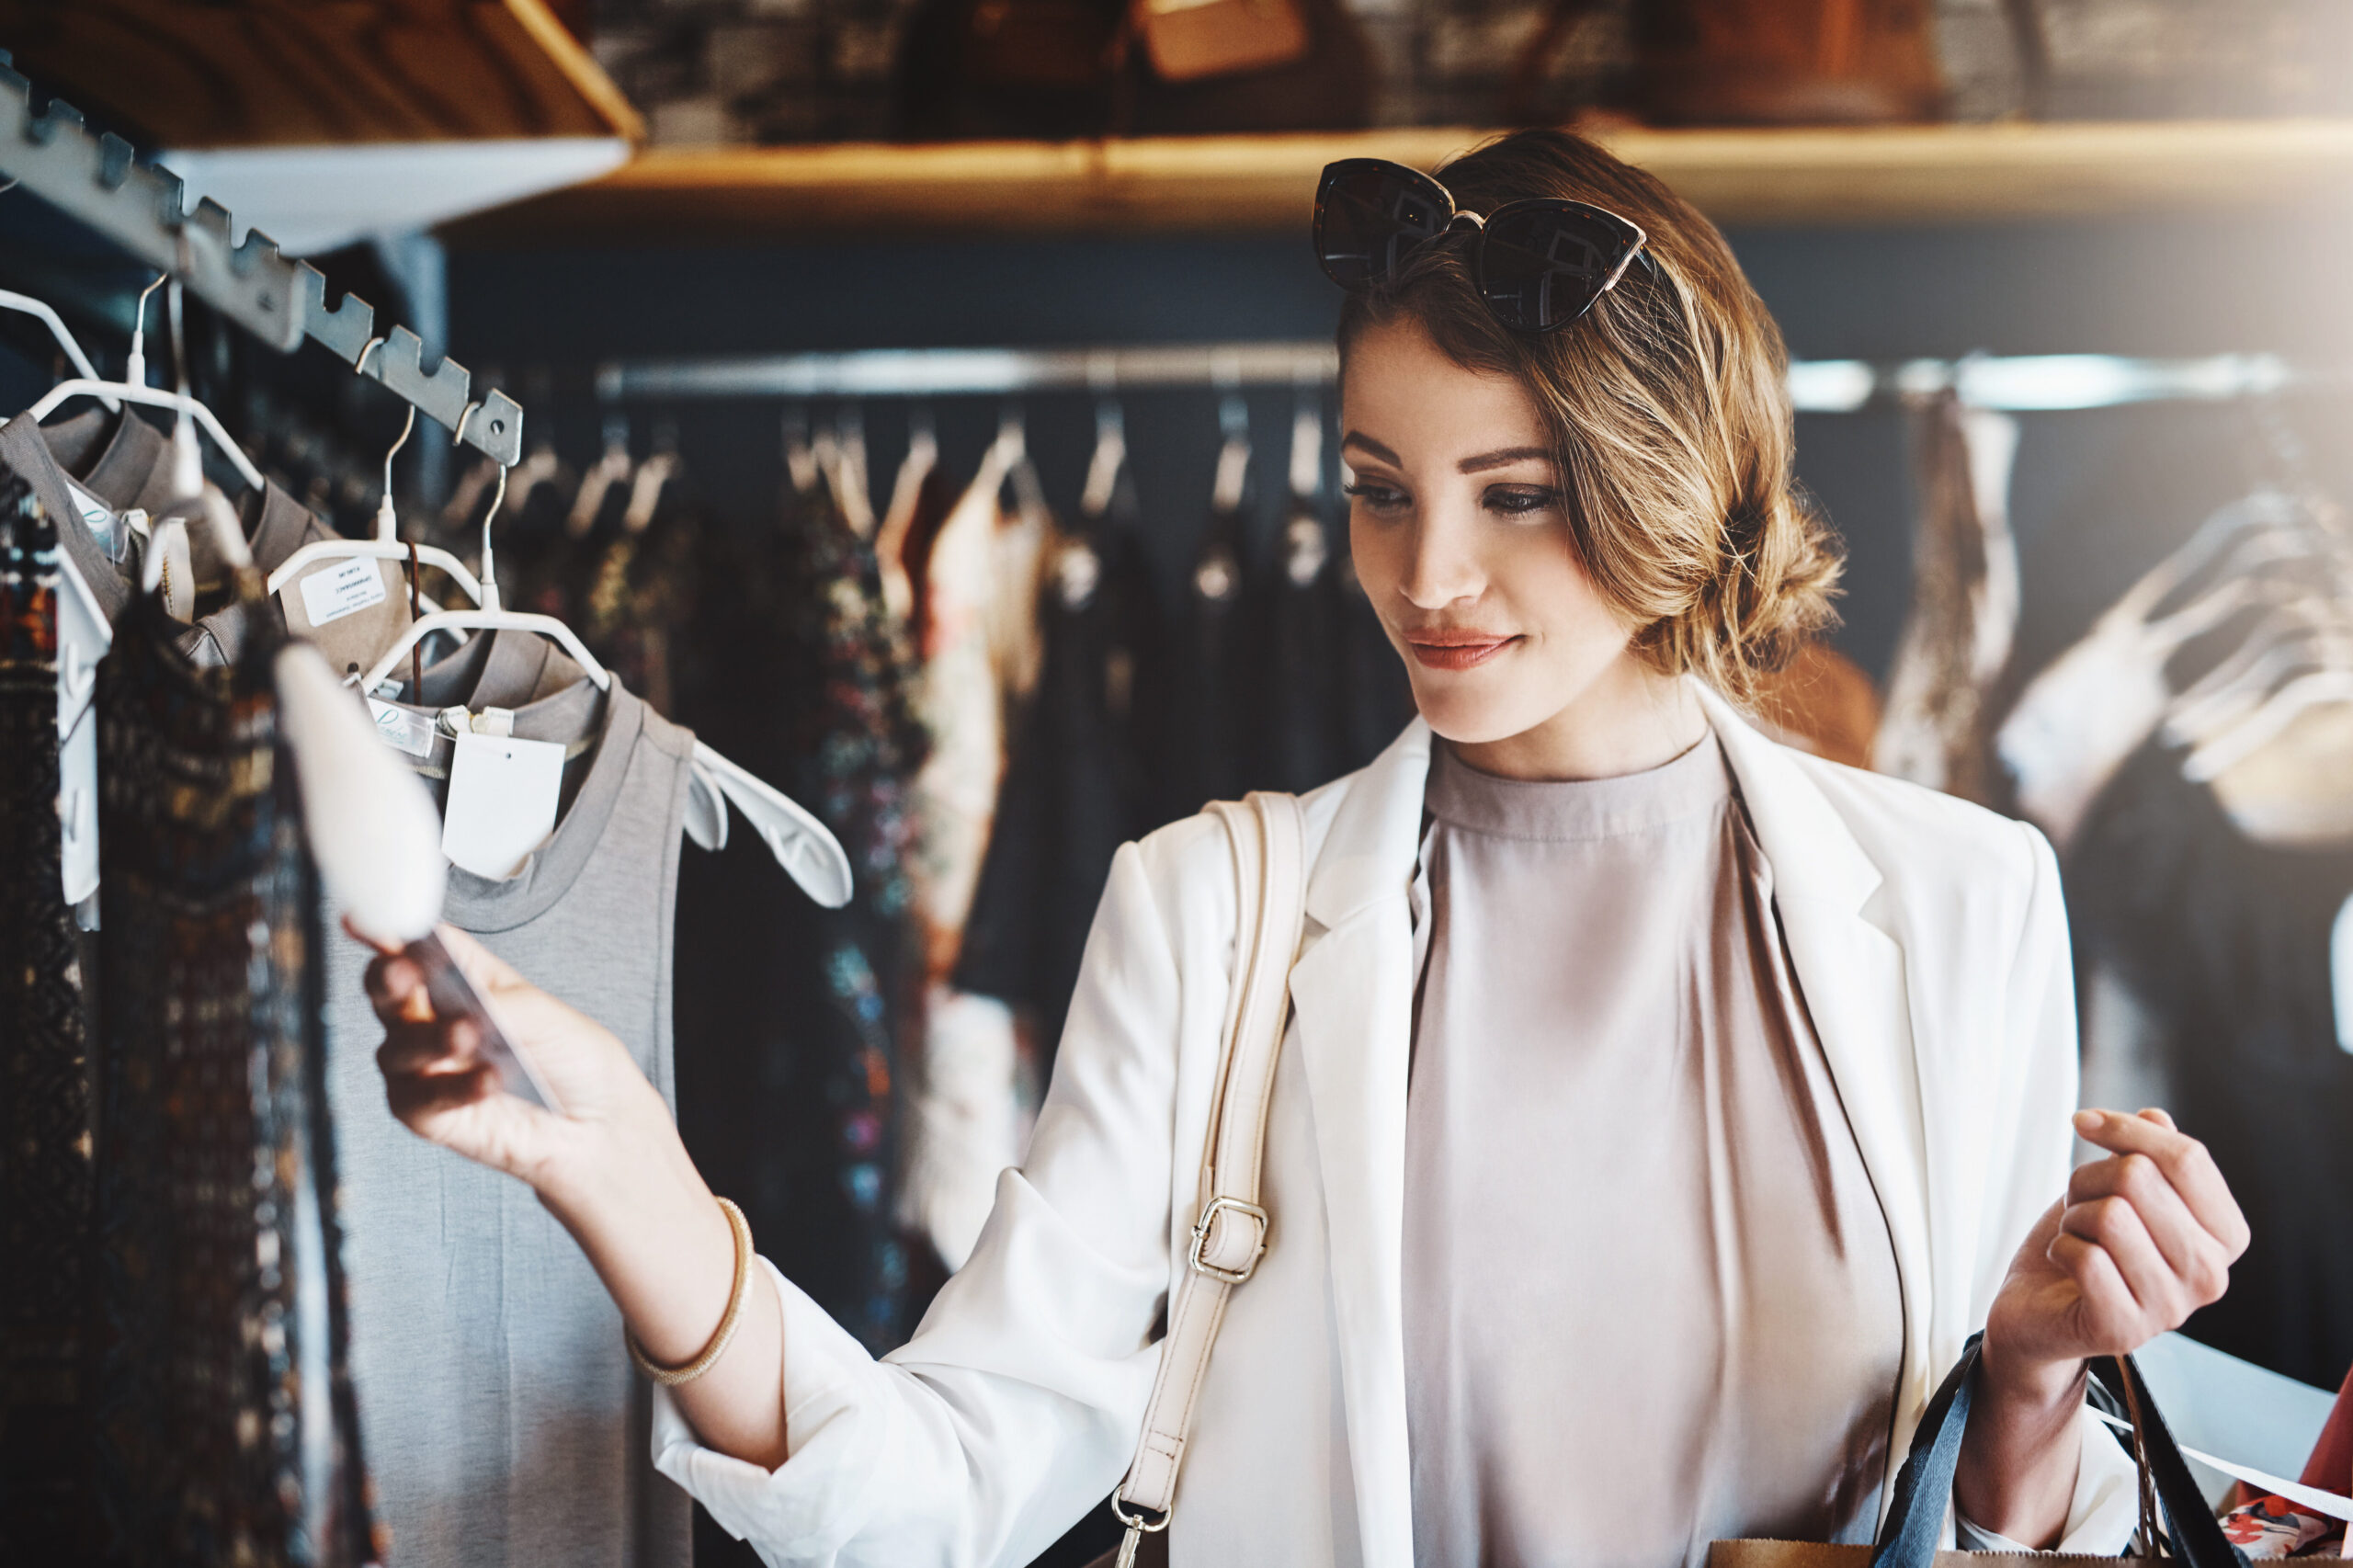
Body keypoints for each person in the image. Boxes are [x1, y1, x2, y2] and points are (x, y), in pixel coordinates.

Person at [357, 130, 2249, 1568]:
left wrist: (2026, 1380)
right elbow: (935, 1489)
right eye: (1374, 488)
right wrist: (628, 1177)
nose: (1423, 577)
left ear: (1671, 486)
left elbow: (2025, 1531)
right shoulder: (1210, 915)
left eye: (1513, 497)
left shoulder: (1957, 904)